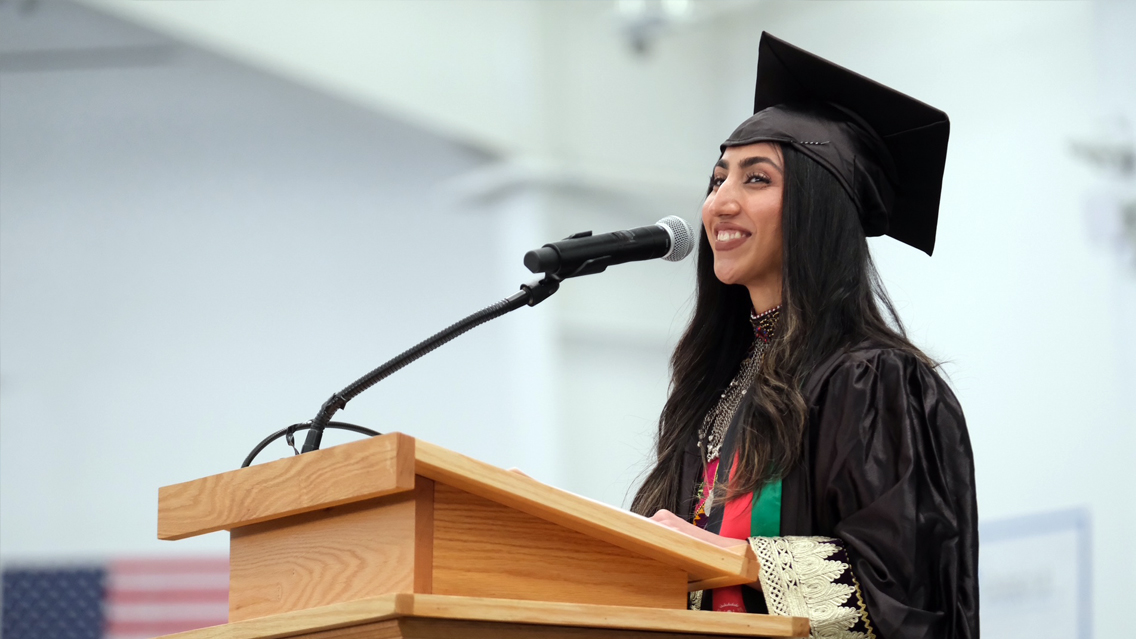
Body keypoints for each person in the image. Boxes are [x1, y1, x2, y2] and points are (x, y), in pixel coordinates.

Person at [630, 33, 979, 639]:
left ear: (818, 208)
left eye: (755, 179)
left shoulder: (872, 382)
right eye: (718, 180)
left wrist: (731, 563)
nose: (720, 203)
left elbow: (900, 595)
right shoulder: (715, 392)